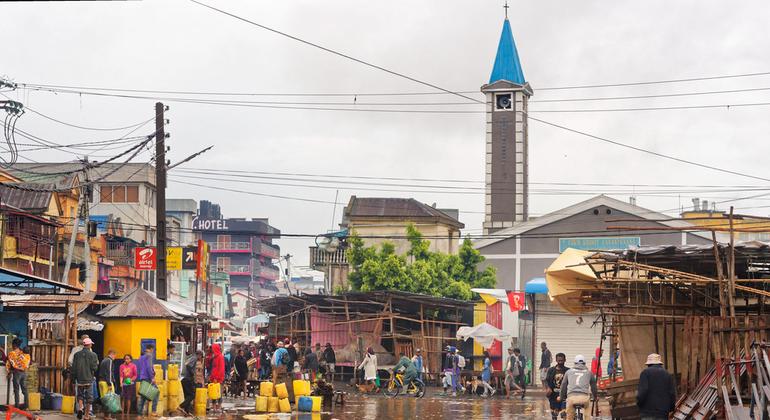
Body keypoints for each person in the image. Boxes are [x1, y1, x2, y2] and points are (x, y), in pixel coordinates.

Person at [637, 353, 676, 420]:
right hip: (663, 413)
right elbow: (672, 394)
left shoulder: (645, 373)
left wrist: (639, 404)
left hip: (648, 412)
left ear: (648, 364)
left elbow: (642, 392)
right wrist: (671, 408)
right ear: (660, 364)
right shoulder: (667, 374)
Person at [559, 355, 598, 420]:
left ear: (574, 363)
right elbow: (594, 387)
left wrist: (561, 397)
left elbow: (563, 385)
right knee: (587, 411)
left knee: (569, 416)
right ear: (584, 363)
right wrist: (595, 397)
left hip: (571, 397)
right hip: (584, 398)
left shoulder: (568, 372)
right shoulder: (589, 372)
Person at [72, 337, 98, 420]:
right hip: (89, 379)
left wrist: (74, 378)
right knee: (89, 398)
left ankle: (80, 408)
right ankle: (86, 415)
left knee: (80, 395)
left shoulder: (77, 354)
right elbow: (94, 368)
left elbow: (74, 368)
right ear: (89, 345)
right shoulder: (93, 355)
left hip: (79, 379)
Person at [136, 345, 159, 417]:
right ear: (151, 349)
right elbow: (149, 367)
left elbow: (140, 367)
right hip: (148, 378)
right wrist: (152, 377)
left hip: (142, 377)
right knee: (156, 392)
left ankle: (139, 415)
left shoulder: (141, 357)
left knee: (143, 395)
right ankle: (153, 411)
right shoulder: (149, 356)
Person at [6, 338, 30, 409]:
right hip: (24, 373)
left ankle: (17, 406)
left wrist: (9, 372)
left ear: (14, 345)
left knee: (16, 390)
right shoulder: (24, 352)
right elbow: (28, 362)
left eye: (12, 344)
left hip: (17, 373)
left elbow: (9, 363)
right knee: (25, 390)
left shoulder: (11, 353)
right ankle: (26, 406)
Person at [545, 353, 569, 420]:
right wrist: (548, 388)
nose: (560, 362)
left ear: (565, 360)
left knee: (564, 413)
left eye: (562, 360)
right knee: (554, 414)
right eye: (559, 360)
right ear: (556, 360)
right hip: (553, 395)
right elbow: (546, 381)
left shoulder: (568, 371)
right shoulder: (551, 370)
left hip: (564, 395)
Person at [97, 349, 116, 420]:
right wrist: (109, 384)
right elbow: (109, 372)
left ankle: (105, 416)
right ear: (112, 354)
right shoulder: (109, 360)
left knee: (104, 400)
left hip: (101, 382)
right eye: (114, 355)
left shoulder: (103, 360)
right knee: (110, 399)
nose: (115, 357)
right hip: (106, 382)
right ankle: (108, 416)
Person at [209, 343, 225, 411]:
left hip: (218, 379)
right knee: (214, 393)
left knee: (218, 393)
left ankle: (219, 406)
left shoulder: (220, 357)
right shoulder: (215, 357)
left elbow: (221, 369)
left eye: (212, 349)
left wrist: (217, 378)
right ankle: (214, 406)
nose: (212, 350)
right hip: (214, 378)